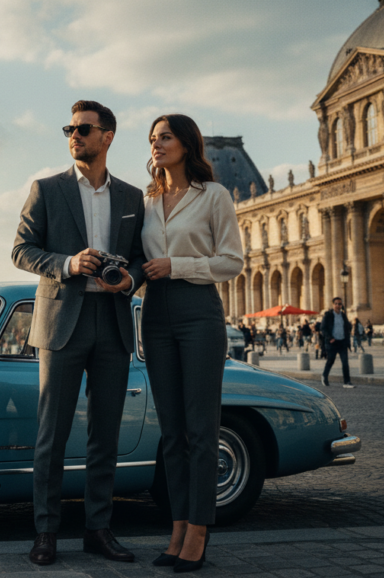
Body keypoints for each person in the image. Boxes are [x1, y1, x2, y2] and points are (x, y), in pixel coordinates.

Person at [12, 100, 146, 567]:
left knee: (104, 434)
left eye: (84, 129)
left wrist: (131, 279)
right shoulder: (46, 189)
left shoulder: (131, 197)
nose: (74, 135)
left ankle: (98, 529)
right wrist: (68, 264)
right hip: (62, 319)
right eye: (69, 128)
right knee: (53, 432)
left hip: (111, 319)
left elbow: (140, 259)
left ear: (107, 136)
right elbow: (21, 250)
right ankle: (46, 531)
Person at [139, 113, 244, 573]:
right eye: (153, 138)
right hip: (155, 315)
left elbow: (232, 262)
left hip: (199, 312)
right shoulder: (147, 201)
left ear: (186, 143)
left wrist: (176, 265)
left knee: (202, 429)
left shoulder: (214, 196)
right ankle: (178, 526)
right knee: (172, 432)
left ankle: (199, 531)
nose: (157, 144)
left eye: (165, 137)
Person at [320, 298, 353, 388]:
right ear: (333, 305)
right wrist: (329, 338)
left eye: (340, 304)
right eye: (336, 304)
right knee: (330, 361)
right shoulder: (328, 315)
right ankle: (324, 376)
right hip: (332, 342)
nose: (338, 305)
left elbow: (347, 326)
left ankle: (347, 381)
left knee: (345, 362)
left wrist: (349, 330)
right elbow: (323, 328)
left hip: (342, 342)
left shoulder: (343, 315)